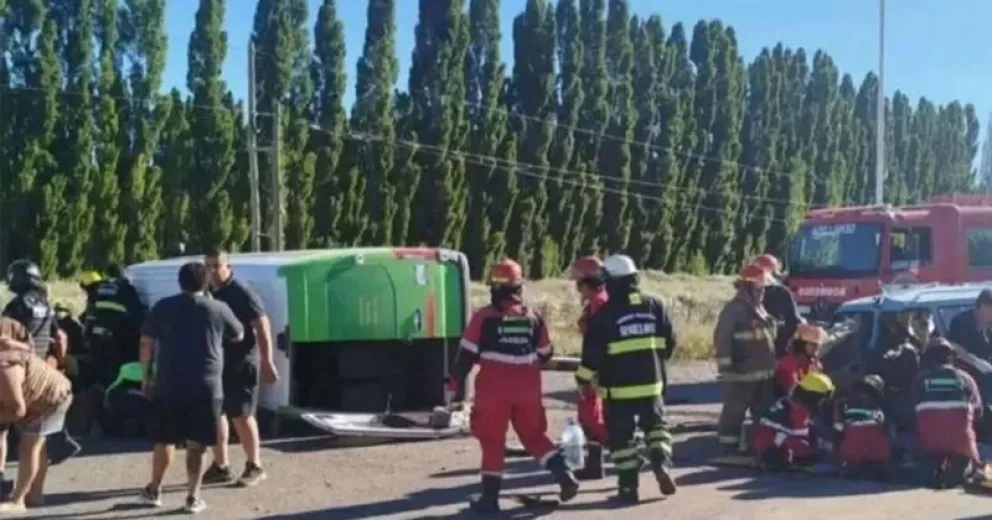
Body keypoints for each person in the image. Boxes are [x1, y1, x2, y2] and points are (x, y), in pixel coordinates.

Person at [448, 258, 578, 513]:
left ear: (494, 287)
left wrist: (453, 388)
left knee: (492, 440)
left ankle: (489, 499)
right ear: (519, 286)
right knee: (534, 437)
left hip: (494, 389)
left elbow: (464, 357)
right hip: (528, 388)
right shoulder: (533, 317)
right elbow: (545, 354)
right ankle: (565, 477)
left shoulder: (483, 317)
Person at [137, 261, 244, 514]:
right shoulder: (218, 308)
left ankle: (154, 489)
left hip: (169, 383)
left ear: (180, 282)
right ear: (206, 282)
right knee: (198, 443)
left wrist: (146, 376)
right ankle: (192, 497)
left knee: (164, 440)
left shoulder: (163, 307)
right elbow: (238, 334)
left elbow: (146, 342)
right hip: (207, 386)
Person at [576, 254, 678, 505]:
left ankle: (628, 490)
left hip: (619, 390)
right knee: (657, 429)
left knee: (623, 441)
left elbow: (593, 355)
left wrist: (582, 379)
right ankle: (661, 464)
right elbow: (670, 343)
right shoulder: (656, 306)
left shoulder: (606, 314)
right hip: (652, 384)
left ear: (609, 281)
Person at [202, 249, 277, 487]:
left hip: (242, 363)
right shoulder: (208, 292)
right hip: (218, 364)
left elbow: (262, 326)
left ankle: (255, 465)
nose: (212, 271)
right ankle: (221, 465)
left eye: (216, 266)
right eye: (208, 266)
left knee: (242, 415)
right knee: (217, 413)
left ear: (228, 266)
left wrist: (267, 362)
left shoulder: (242, 292)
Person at [0, 317, 76, 515]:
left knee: (29, 446)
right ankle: (35, 495)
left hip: (51, 397)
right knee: (36, 446)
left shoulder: (6, 365)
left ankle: (18, 502)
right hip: (41, 392)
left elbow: (17, 410)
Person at [714, 263, 778, 454]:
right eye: (760, 288)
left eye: (764, 289)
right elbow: (722, 339)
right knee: (734, 412)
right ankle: (728, 446)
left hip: (763, 374)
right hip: (742, 373)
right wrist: (727, 367)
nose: (763, 293)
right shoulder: (734, 309)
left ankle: (761, 445)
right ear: (747, 287)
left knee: (764, 412)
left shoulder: (760, 309)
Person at [913, 338, 983, 489]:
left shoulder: (920, 380)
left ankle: (933, 471)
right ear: (952, 357)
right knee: (960, 475)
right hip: (961, 442)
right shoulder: (966, 378)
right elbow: (978, 411)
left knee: (926, 469)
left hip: (929, 442)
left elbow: (908, 411)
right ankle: (959, 471)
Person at [568, 254, 609, 481]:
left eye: (579, 283)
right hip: (598, 369)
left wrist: (586, 376)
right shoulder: (598, 302)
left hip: (598, 371)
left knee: (593, 415)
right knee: (591, 414)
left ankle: (596, 465)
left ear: (588, 281)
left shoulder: (600, 304)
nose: (576, 288)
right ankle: (595, 464)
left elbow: (597, 344)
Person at [753, 372, 835, 472]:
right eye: (823, 398)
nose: (824, 402)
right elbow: (799, 439)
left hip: (769, 442)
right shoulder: (798, 410)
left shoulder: (790, 401)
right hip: (772, 450)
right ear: (813, 396)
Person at [86, 264, 146, 388]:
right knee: (115, 378)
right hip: (117, 342)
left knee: (100, 377)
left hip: (97, 341)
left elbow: (90, 315)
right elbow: (138, 317)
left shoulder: (100, 288)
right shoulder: (127, 289)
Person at [834, 374, 890, 481]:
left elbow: (838, 430)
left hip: (850, 453)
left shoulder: (844, 404)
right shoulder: (879, 407)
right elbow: (885, 427)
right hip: (876, 454)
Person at [750, 254, 805, 358]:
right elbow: (795, 320)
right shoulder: (782, 292)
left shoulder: (746, 292)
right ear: (774, 272)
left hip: (751, 352)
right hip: (778, 349)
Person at [774, 323, 826, 396]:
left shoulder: (814, 363)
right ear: (801, 344)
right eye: (813, 344)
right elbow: (792, 390)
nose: (817, 348)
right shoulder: (788, 364)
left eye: (818, 345)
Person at [946, 289, 992, 361]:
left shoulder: (988, 324)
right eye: (990, 310)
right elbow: (959, 351)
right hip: (966, 367)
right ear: (982, 307)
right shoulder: (961, 323)